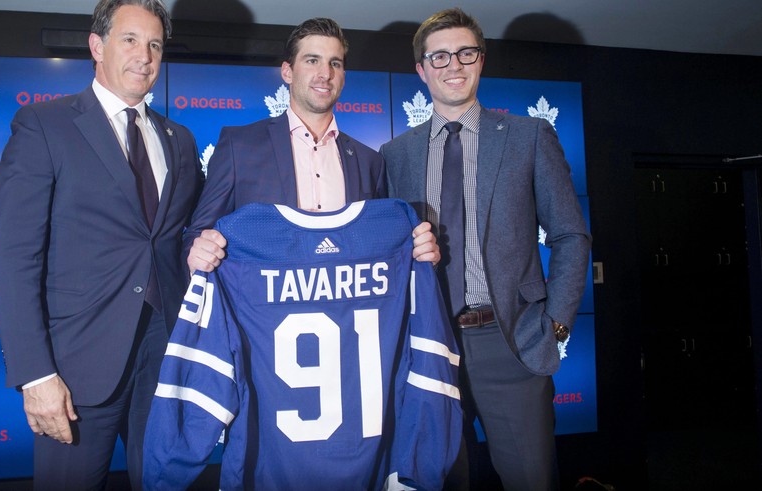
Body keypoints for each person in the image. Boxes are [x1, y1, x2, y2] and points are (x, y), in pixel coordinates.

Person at [0, 1, 203, 489]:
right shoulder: (45, 125)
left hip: (166, 360)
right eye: (129, 40)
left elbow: (192, 234)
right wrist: (35, 374)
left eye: (154, 44)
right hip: (76, 369)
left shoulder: (180, 139)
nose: (144, 56)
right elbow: (11, 257)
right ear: (96, 45)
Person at [380, 7, 591, 491]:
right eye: (439, 57)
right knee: (441, 479)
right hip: (429, 344)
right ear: (421, 69)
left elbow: (570, 236)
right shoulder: (396, 155)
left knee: (531, 480)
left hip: (512, 342)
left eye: (465, 52)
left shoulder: (528, 137)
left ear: (481, 60)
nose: (453, 65)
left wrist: (554, 324)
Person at [185, 17, 438, 274]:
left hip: (347, 309)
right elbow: (198, 235)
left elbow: (383, 246)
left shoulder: (369, 161)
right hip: (262, 310)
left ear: (343, 76)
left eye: (335, 63)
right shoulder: (239, 146)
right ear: (287, 71)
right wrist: (197, 254)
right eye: (312, 60)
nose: (325, 74)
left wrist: (417, 251)